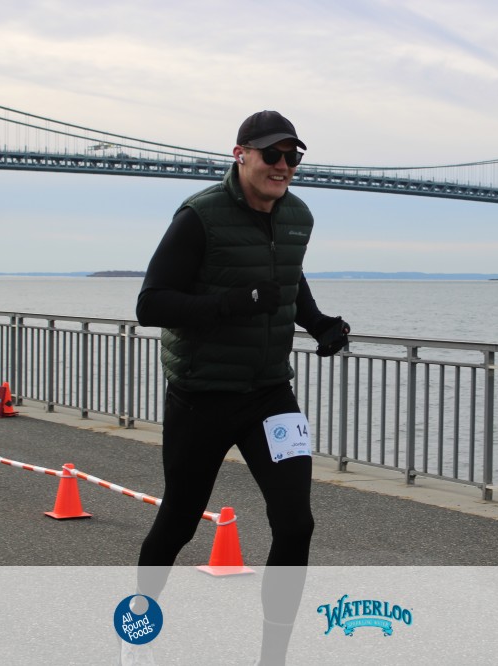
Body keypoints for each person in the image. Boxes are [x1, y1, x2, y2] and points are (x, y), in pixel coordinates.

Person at [132, 110, 350, 665]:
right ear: (241, 154)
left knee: (296, 523)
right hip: (201, 395)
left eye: (292, 156)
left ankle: (272, 656)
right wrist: (232, 303)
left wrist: (319, 323)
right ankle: (136, 632)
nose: (283, 166)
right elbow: (151, 304)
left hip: (271, 395)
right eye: (271, 154)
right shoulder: (199, 216)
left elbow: (287, 276)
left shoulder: (297, 215)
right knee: (179, 522)